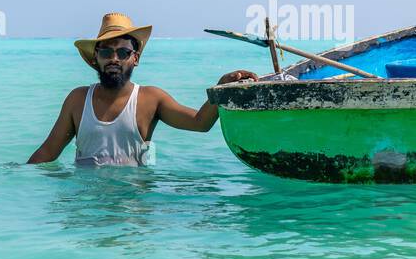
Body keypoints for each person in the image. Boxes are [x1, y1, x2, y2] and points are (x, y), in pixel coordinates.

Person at [27, 13, 257, 166]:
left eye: (123, 52)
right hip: (89, 206)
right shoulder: (77, 100)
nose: (114, 59)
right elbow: (48, 152)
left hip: (134, 207)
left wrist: (222, 89)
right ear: (96, 58)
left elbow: (200, 123)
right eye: (106, 52)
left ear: (135, 58)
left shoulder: (150, 99)